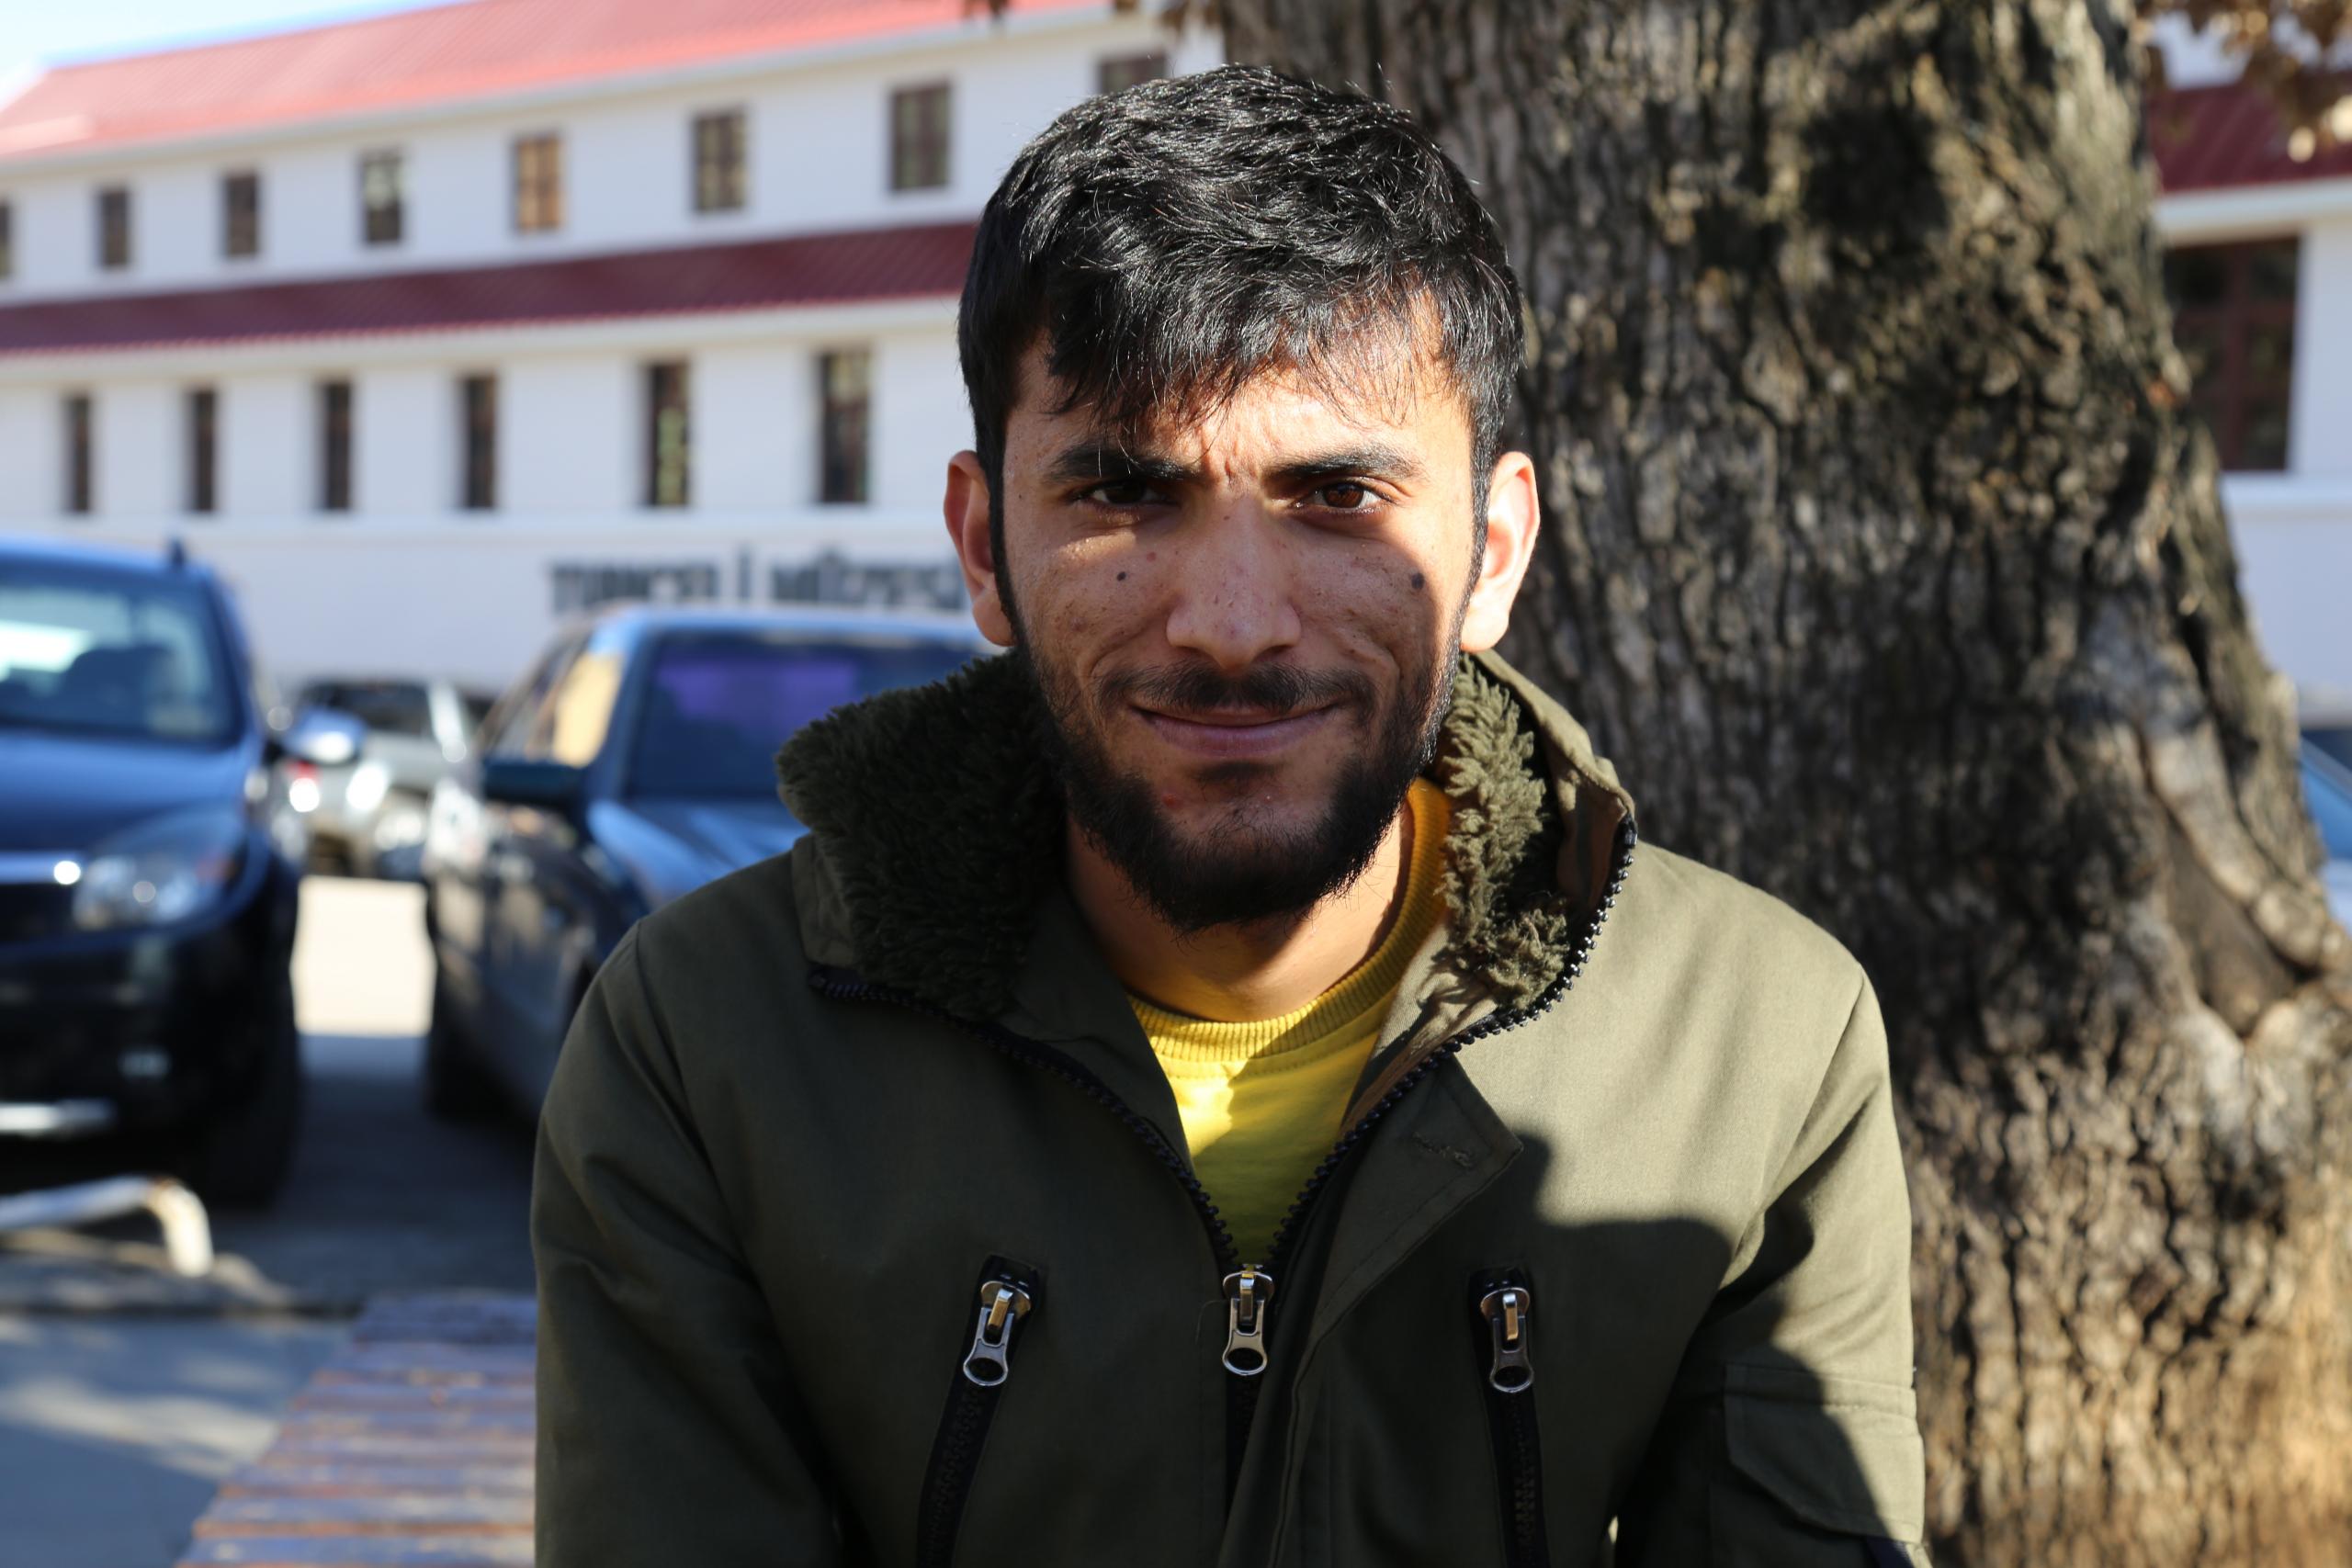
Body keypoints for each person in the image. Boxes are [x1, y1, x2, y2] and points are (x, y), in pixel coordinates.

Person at [532, 64, 1928, 1568]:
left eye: (1338, 497)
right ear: (984, 546)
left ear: (1495, 550)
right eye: (1124, 492)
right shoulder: (710, 1046)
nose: (1232, 623)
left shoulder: (1753, 1047)